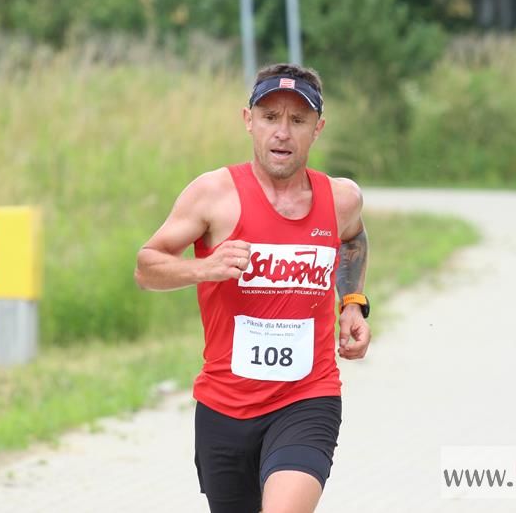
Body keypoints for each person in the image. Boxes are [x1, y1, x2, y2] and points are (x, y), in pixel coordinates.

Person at [135, 63, 371, 513]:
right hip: (224, 405)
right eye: (269, 117)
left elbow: (353, 238)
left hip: (307, 397)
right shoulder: (213, 194)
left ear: (317, 129)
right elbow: (147, 266)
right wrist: (204, 268)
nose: (282, 132)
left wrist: (353, 303)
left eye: (297, 120)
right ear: (248, 121)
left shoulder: (341, 199)